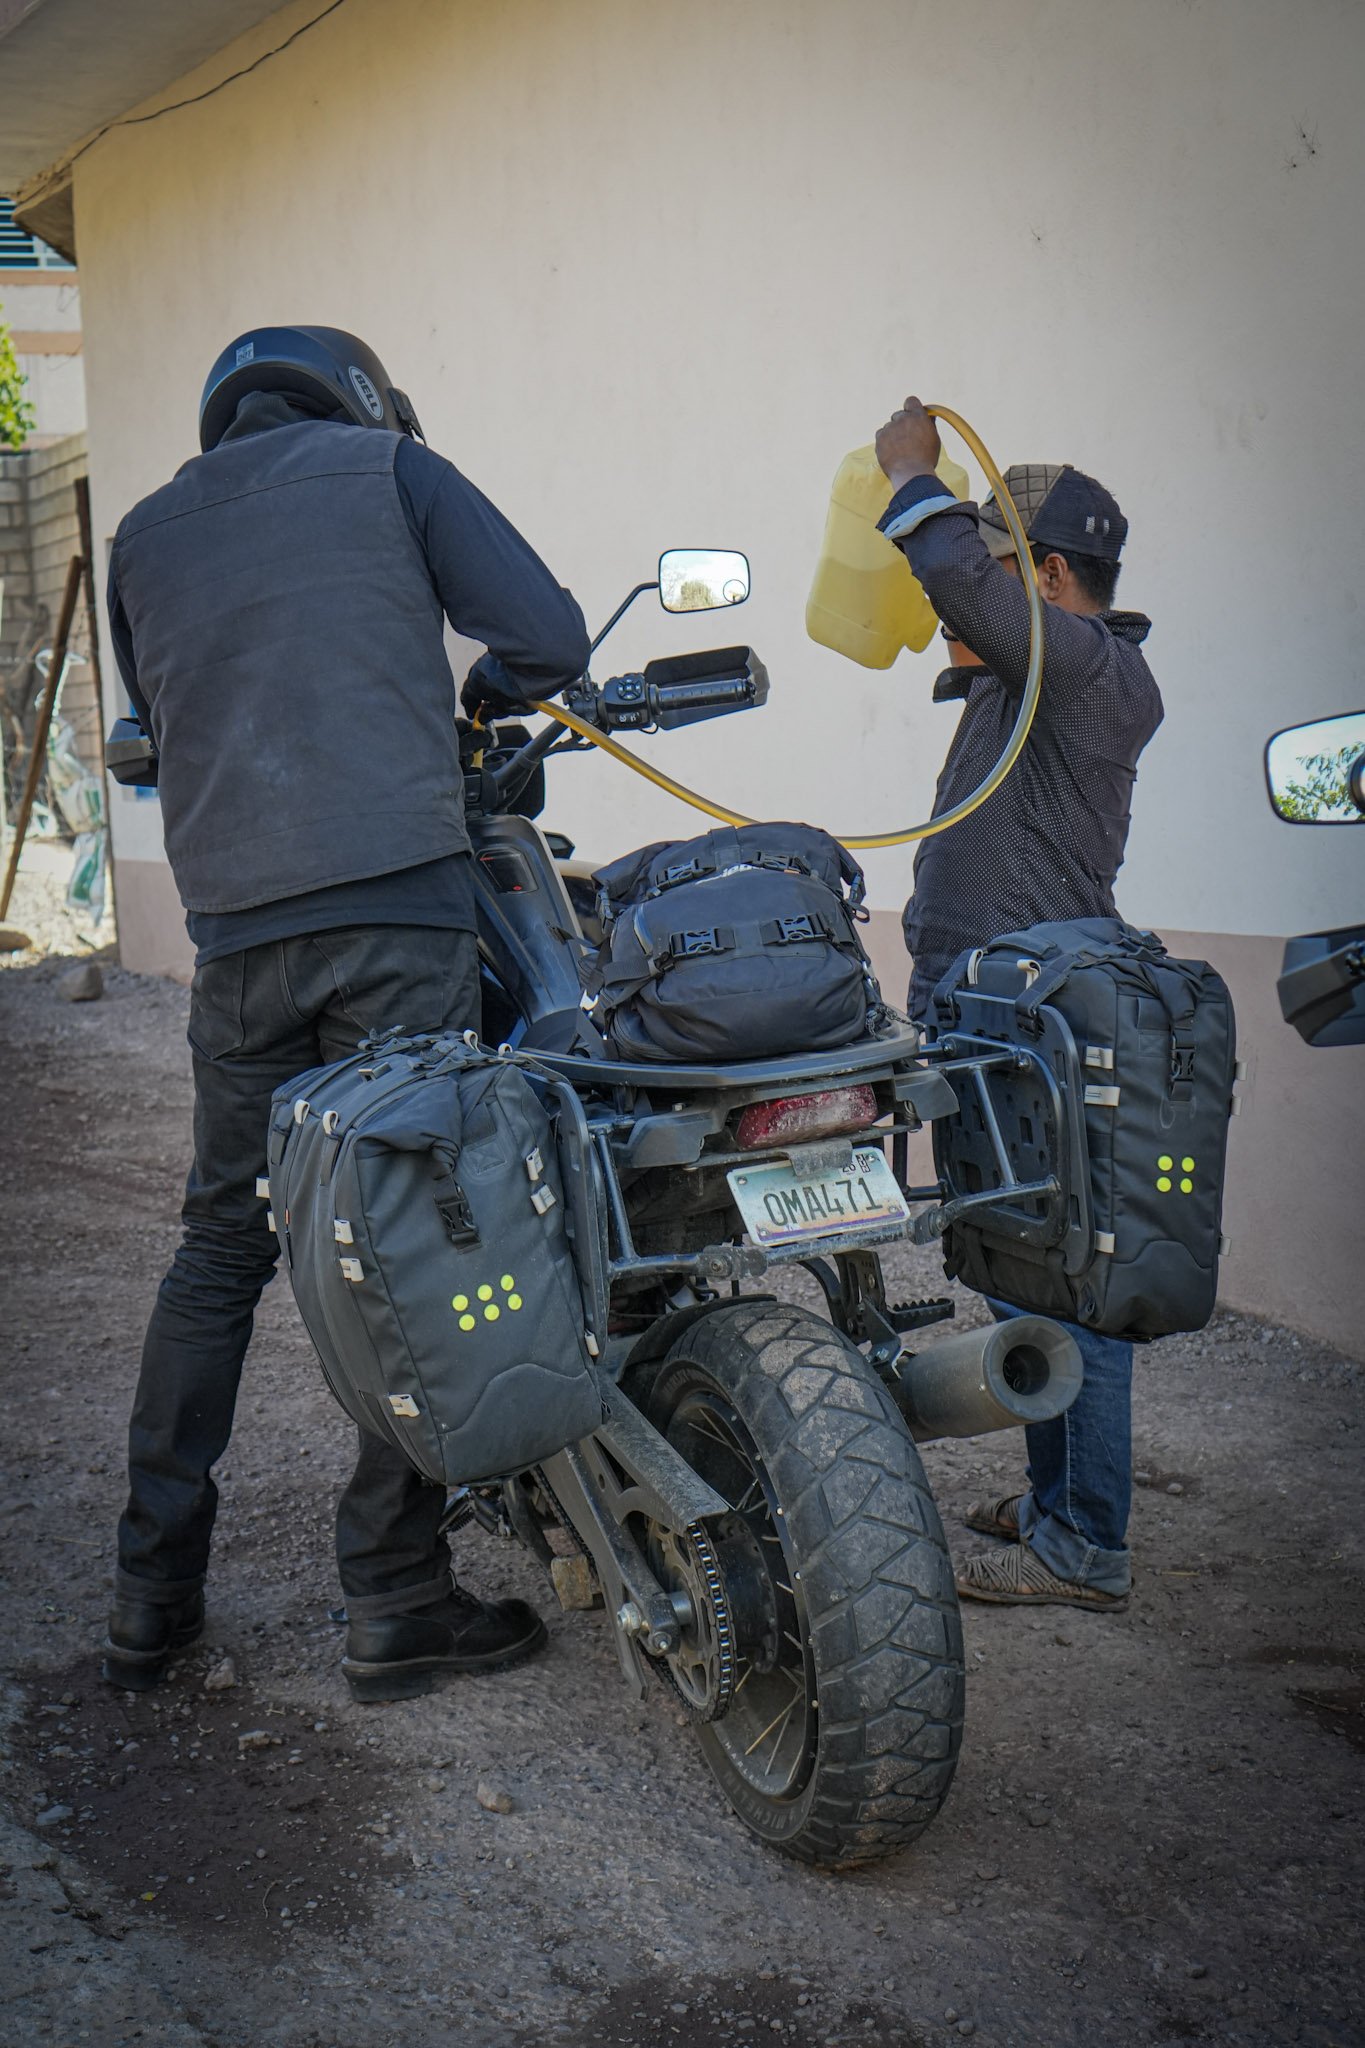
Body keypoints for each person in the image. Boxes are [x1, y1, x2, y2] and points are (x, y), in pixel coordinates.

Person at [103, 325, 589, 1697]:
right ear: (364, 398)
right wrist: (485, 694)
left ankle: (151, 1596)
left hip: (239, 941)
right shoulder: (393, 469)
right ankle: (395, 1600)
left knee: (219, 1248)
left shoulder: (142, 533)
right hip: (398, 917)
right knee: (415, 1236)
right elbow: (544, 636)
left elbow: (146, 731)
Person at [873, 396, 1164, 1614]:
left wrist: (909, 479)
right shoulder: (1024, 679)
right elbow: (974, 616)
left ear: (1047, 574)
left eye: (1002, 566)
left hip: (1038, 1018)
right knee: (1020, 1264)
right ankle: (1053, 1504)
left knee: (1067, 1275)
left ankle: (1086, 1541)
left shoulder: (1097, 671)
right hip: (984, 1007)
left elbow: (972, 594)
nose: (975, 599)